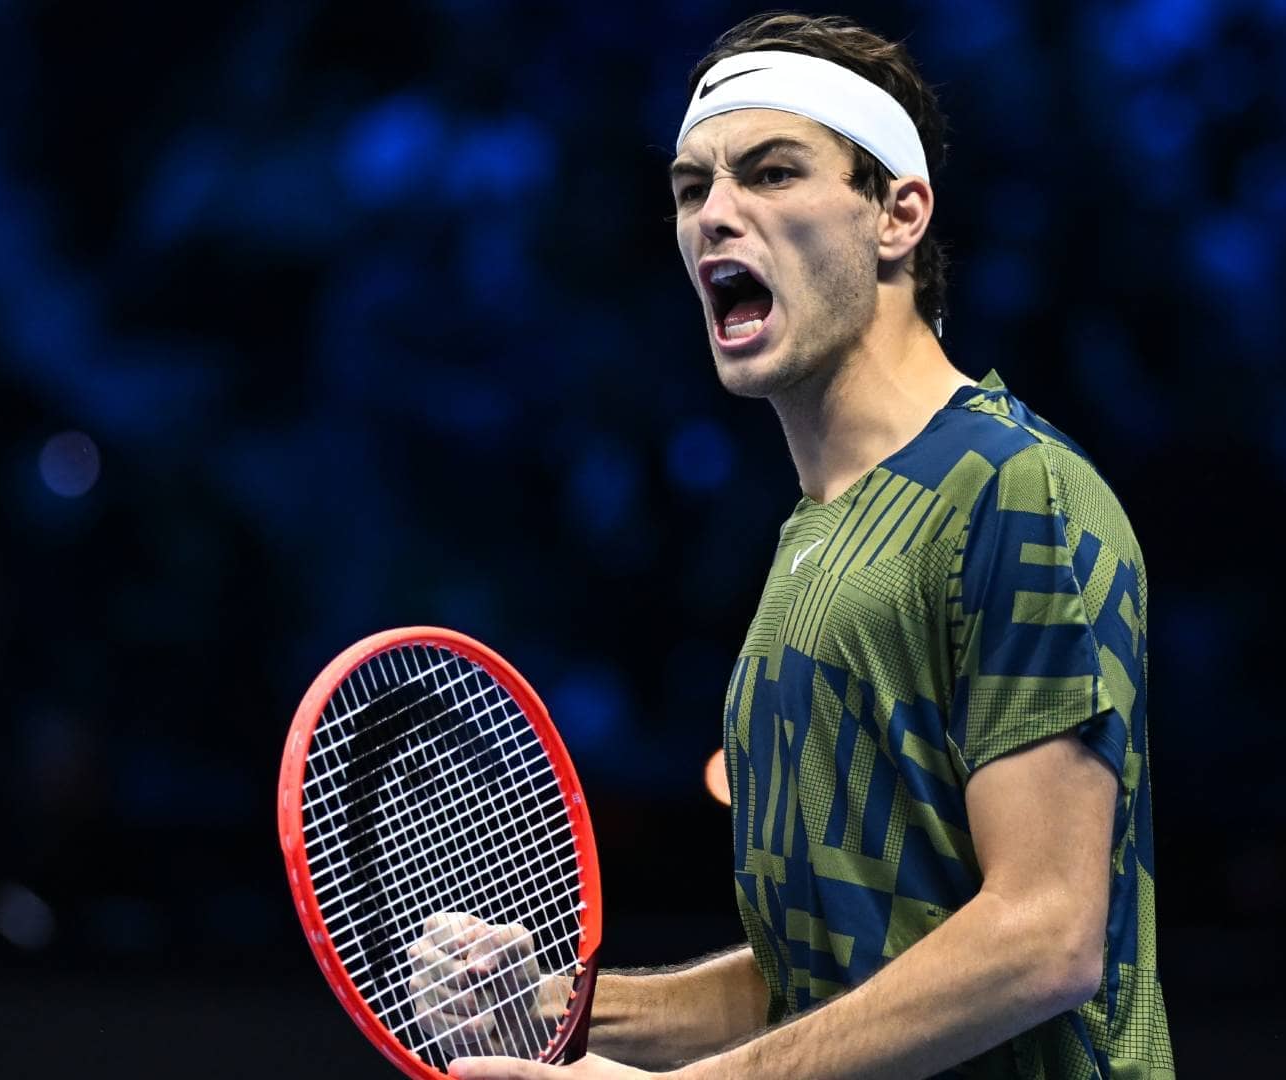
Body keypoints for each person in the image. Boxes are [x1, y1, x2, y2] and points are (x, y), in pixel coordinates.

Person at [430, 13, 1174, 1079]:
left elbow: (1044, 935)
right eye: (693, 189)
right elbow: (814, 981)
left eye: (773, 173)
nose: (717, 216)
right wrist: (550, 1011)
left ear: (898, 216)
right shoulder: (805, 550)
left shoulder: (1015, 490)